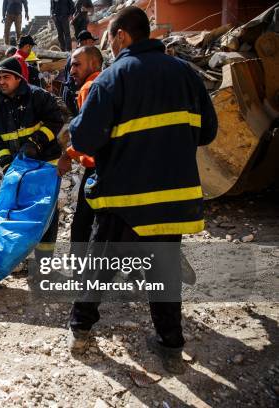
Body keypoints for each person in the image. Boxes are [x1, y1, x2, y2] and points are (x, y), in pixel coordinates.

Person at [66, 7, 218, 374]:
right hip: (172, 200)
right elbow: (209, 132)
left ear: (120, 36)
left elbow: (84, 138)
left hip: (123, 198)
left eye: (109, 39)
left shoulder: (113, 77)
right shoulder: (185, 74)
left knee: (100, 266)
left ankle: (81, 330)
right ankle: (170, 345)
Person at [0, 57, 63, 265]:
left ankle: (44, 262)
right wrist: (6, 165)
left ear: (18, 78)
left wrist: (36, 142)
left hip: (45, 164)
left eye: (6, 77)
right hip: (18, 168)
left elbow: (56, 120)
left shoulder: (38, 96)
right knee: (18, 212)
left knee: (46, 212)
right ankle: (19, 258)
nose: (1, 82)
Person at [56, 46, 102, 259]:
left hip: (97, 167)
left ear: (93, 63)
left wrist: (67, 155)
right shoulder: (108, 83)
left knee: (83, 223)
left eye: (77, 64)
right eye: (70, 65)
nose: (71, 70)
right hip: (114, 165)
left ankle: (80, 272)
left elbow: (88, 134)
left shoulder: (89, 88)